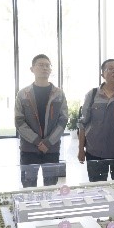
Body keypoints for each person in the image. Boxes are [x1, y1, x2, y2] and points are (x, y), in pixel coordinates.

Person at [15, 54, 68, 187]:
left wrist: (49, 142)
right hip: (29, 148)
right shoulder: (23, 94)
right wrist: (37, 141)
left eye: (47, 65)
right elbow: (19, 121)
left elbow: (63, 120)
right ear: (32, 69)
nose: (44, 68)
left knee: (51, 186)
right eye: (40, 65)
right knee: (28, 185)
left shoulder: (58, 94)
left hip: (51, 148)